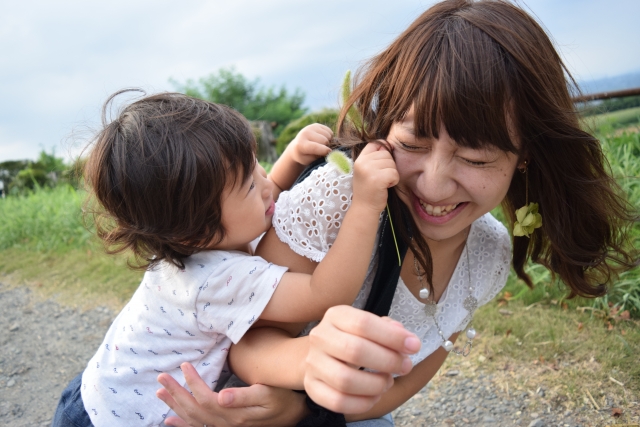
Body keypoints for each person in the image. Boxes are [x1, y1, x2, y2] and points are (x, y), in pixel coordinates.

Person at [156, 0, 638, 426]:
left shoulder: (488, 253)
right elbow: (249, 340)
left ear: (525, 154)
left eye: (475, 159)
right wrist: (306, 364)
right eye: (411, 144)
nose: (432, 183)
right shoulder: (335, 200)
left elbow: (407, 380)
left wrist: (304, 411)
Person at [51, 91, 399, 426]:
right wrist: (366, 204)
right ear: (197, 231)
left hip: (95, 393)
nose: (265, 181)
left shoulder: (183, 240)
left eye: (256, 165)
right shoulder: (218, 281)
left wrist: (292, 158)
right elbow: (324, 294)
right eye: (249, 183)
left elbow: (254, 206)